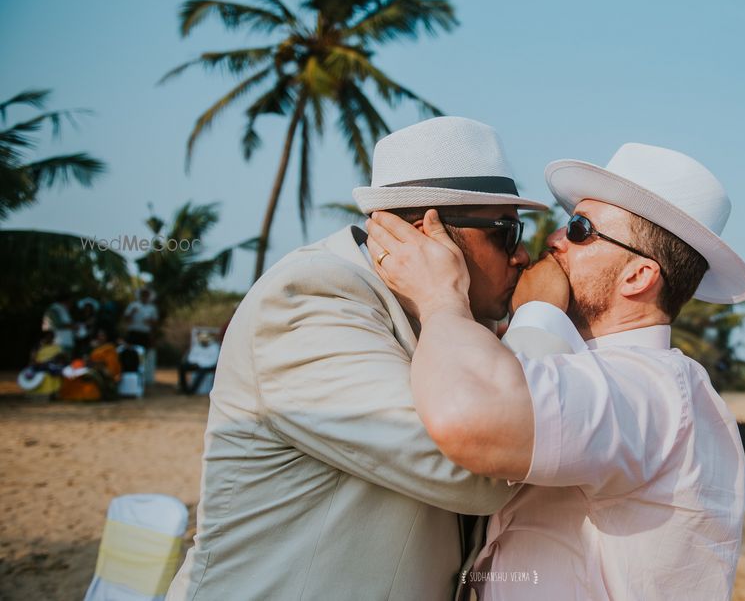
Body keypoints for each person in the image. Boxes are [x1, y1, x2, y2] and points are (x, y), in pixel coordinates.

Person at [168, 117, 550, 601]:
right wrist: (543, 317)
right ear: (424, 235)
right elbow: (477, 466)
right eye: (507, 232)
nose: (522, 256)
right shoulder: (308, 301)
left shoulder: (449, 325)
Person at [368, 142, 745, 600]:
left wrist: (441, 298)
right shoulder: (618, 377)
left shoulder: (648, 389)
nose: (552, 240)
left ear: (638, 277)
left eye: (580, 229)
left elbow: (470, 416)